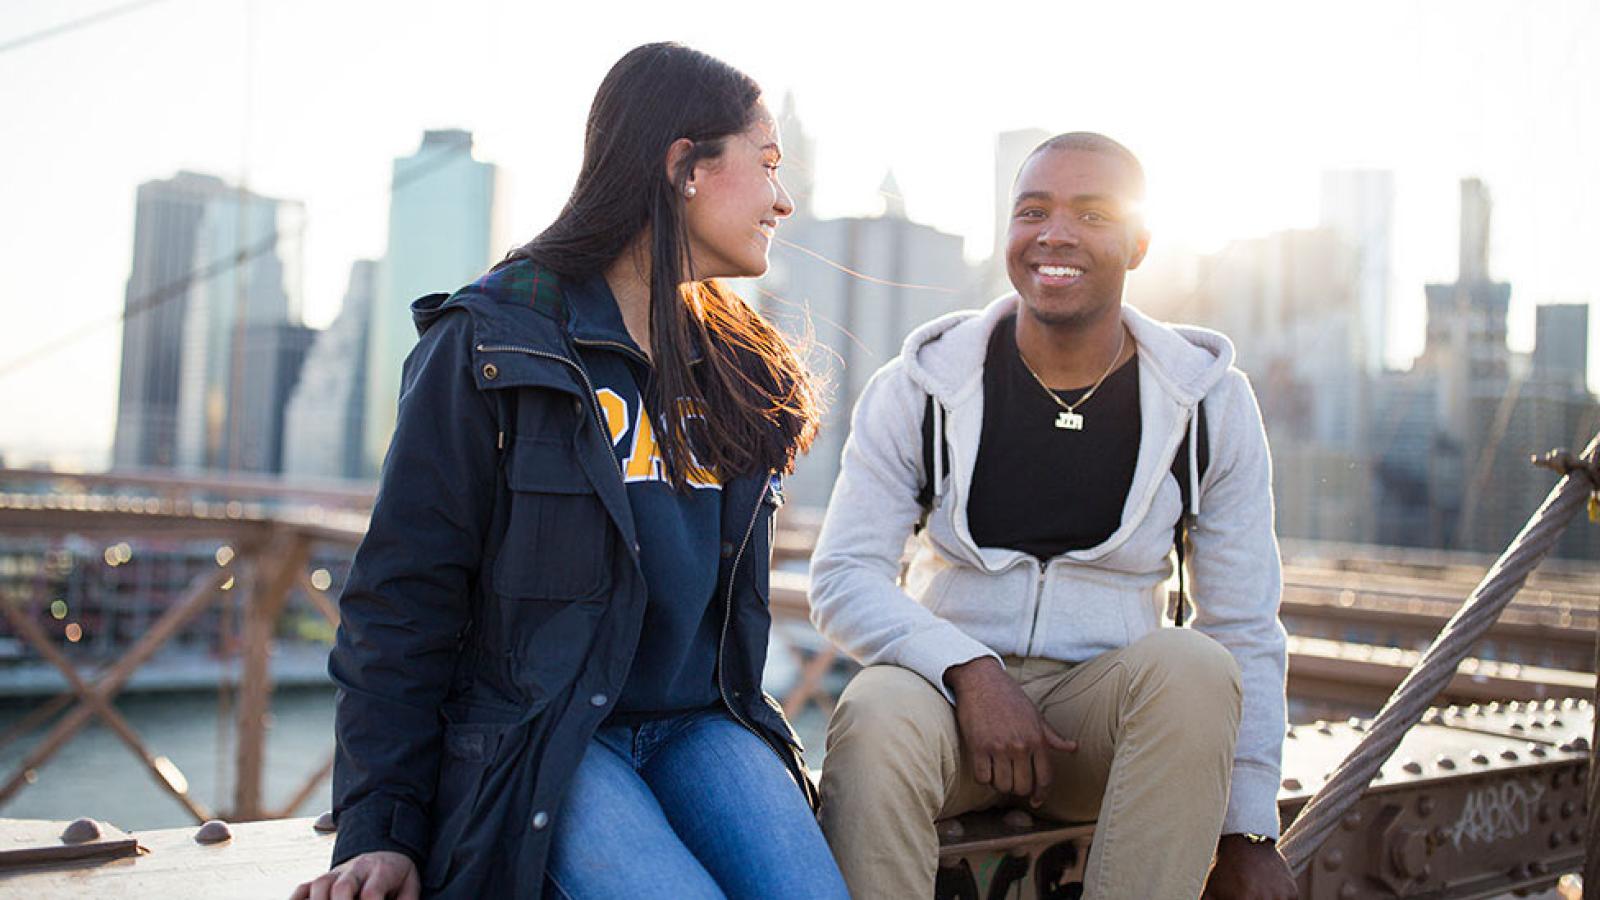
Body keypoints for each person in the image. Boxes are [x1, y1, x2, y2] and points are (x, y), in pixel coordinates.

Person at [291, 42, 847, 900]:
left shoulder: (738, 371)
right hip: (542, 741)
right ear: (684, 167)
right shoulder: (490, 343)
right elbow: (402, 600)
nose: (784, 197)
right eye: (766, 163)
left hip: (701, 727)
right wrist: (380, 830)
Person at [809, 132, 1299, 899]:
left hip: (1095, 728)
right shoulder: (921, 388)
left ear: (1139, 244)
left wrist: (1247, 829)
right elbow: (841, 576)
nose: (1055, 234)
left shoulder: (1207, 404)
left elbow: (1243, 624)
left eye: (1092, 214)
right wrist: (969, 670)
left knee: (1198, 668)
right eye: (1032, 210)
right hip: (947, 712)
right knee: (875, 707)